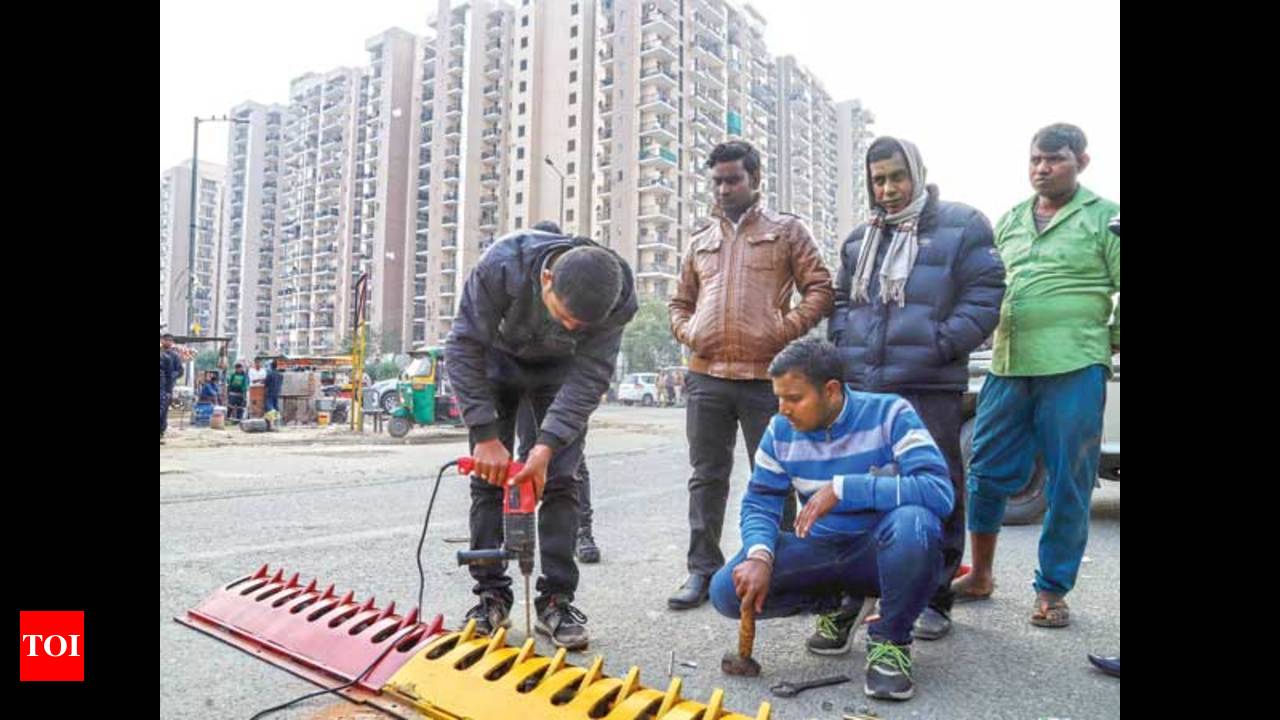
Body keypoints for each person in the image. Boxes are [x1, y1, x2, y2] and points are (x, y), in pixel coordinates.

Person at [827, 136, 1005, 644]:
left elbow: (987, 293)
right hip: (866, 386)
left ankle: (935, 597)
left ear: (918, 173)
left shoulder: (963, 225)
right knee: (864, 490)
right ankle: (868, 588)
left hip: (928, 382)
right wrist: (844, 346)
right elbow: (841, 300)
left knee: (936, 487)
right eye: (878, 179)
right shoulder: (860, 238)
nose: (887, 189)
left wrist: (941, 341)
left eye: (896, 177)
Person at [709, 338, 952, 701]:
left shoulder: (891, 414)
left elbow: (938, 492)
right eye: (779, 398)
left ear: (832, 391)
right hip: (821, 548)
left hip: (881, 551)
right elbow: (761, 500)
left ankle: (890, 642)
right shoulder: (780, 431)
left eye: (794, 399)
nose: (783, 410)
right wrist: (760, 555)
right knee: (727, 591)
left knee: (915, 524)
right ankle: (841, 607)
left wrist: (846, 488)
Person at [952, 124, 1119, 629]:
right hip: (1008, 363)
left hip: (1075, 366)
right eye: (1035, 160)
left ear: (1081, 161)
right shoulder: (1010, 220)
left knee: (1070, 479)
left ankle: (1052, 590)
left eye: (1054, 159)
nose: (1042, 168)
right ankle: (980, 574)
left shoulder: (1106, 218)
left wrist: (1107, 342)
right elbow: (988, 284)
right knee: (984, 471)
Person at [446, 227, 637, 650]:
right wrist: (484, 434)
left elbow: (590, 377)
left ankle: (556, 598)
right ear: (546, 280)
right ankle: (491, 595)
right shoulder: (502, 266)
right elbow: (462, 346)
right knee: (489, 478)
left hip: (560, 373)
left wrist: (547, 446)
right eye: (565, 316)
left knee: (563, 478)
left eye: (580, 325)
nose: (571, 326)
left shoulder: (618, 298)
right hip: (498, 362)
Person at [667, 139, 834, 610]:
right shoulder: (700, 240)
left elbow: (820, 288)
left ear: (755, 179)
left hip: (768, 378)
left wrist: (784, 330)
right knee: (706, 476)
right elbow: (678, 303)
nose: (723, 188)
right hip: (707, 376)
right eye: (717, 180)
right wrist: (690, 331)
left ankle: (781, 570)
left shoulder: (787, 232)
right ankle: (702, 570)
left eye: (733, 179)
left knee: (776, 477)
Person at [526, 219, 602, 566]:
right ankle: (523, 532)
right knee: (527, 455)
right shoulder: (526, 286)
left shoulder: (581, 286)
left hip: (566, 387)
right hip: (529, 383)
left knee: (572, 463)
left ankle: (582, 532)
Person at [160, 333, 184, 443]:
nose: (168, 342)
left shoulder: (174, 356)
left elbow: (179, 371)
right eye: (166, 340)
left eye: (170, 340)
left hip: (167, 386)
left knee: (163, 410)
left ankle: (161, 432)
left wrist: (171, 377)